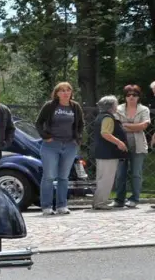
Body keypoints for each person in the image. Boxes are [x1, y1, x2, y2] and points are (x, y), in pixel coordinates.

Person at [36, 82, 83, 216]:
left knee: (64, 177)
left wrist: (77, 138)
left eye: (68, 90)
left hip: (69, 145)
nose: (65, 93)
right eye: (62, 90)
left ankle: (62, 205)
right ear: (57, 93)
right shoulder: (50, 106)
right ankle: (46, 206)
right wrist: (45, 136)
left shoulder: (75, 107)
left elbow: (80, 124)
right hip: (51, 145)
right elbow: (38, 123)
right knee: (49, 176)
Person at [91, 95, 128, 210]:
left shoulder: (101, 116)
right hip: (108, 153)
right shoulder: (107, 118)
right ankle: (100, 202)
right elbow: (105, 133)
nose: (117, 106)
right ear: (111, 106)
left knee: (102, 178)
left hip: (102, 152)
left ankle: (98, 202)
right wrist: (119, 143)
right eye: (116, 104)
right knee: (106, 178)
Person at [115, 85, 149, 208]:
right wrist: (135, 126)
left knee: (136, 173)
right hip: (121, 144)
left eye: (134, 95)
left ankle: (135, 198)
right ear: (125, 97)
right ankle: (119, 199)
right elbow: (117, 126)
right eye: (128, 95)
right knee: (120, 173)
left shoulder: (144, 109)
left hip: (138, 145)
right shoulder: (118, 109)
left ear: (138, 97)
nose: (131, 97)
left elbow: (144, 126)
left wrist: (126, 125)